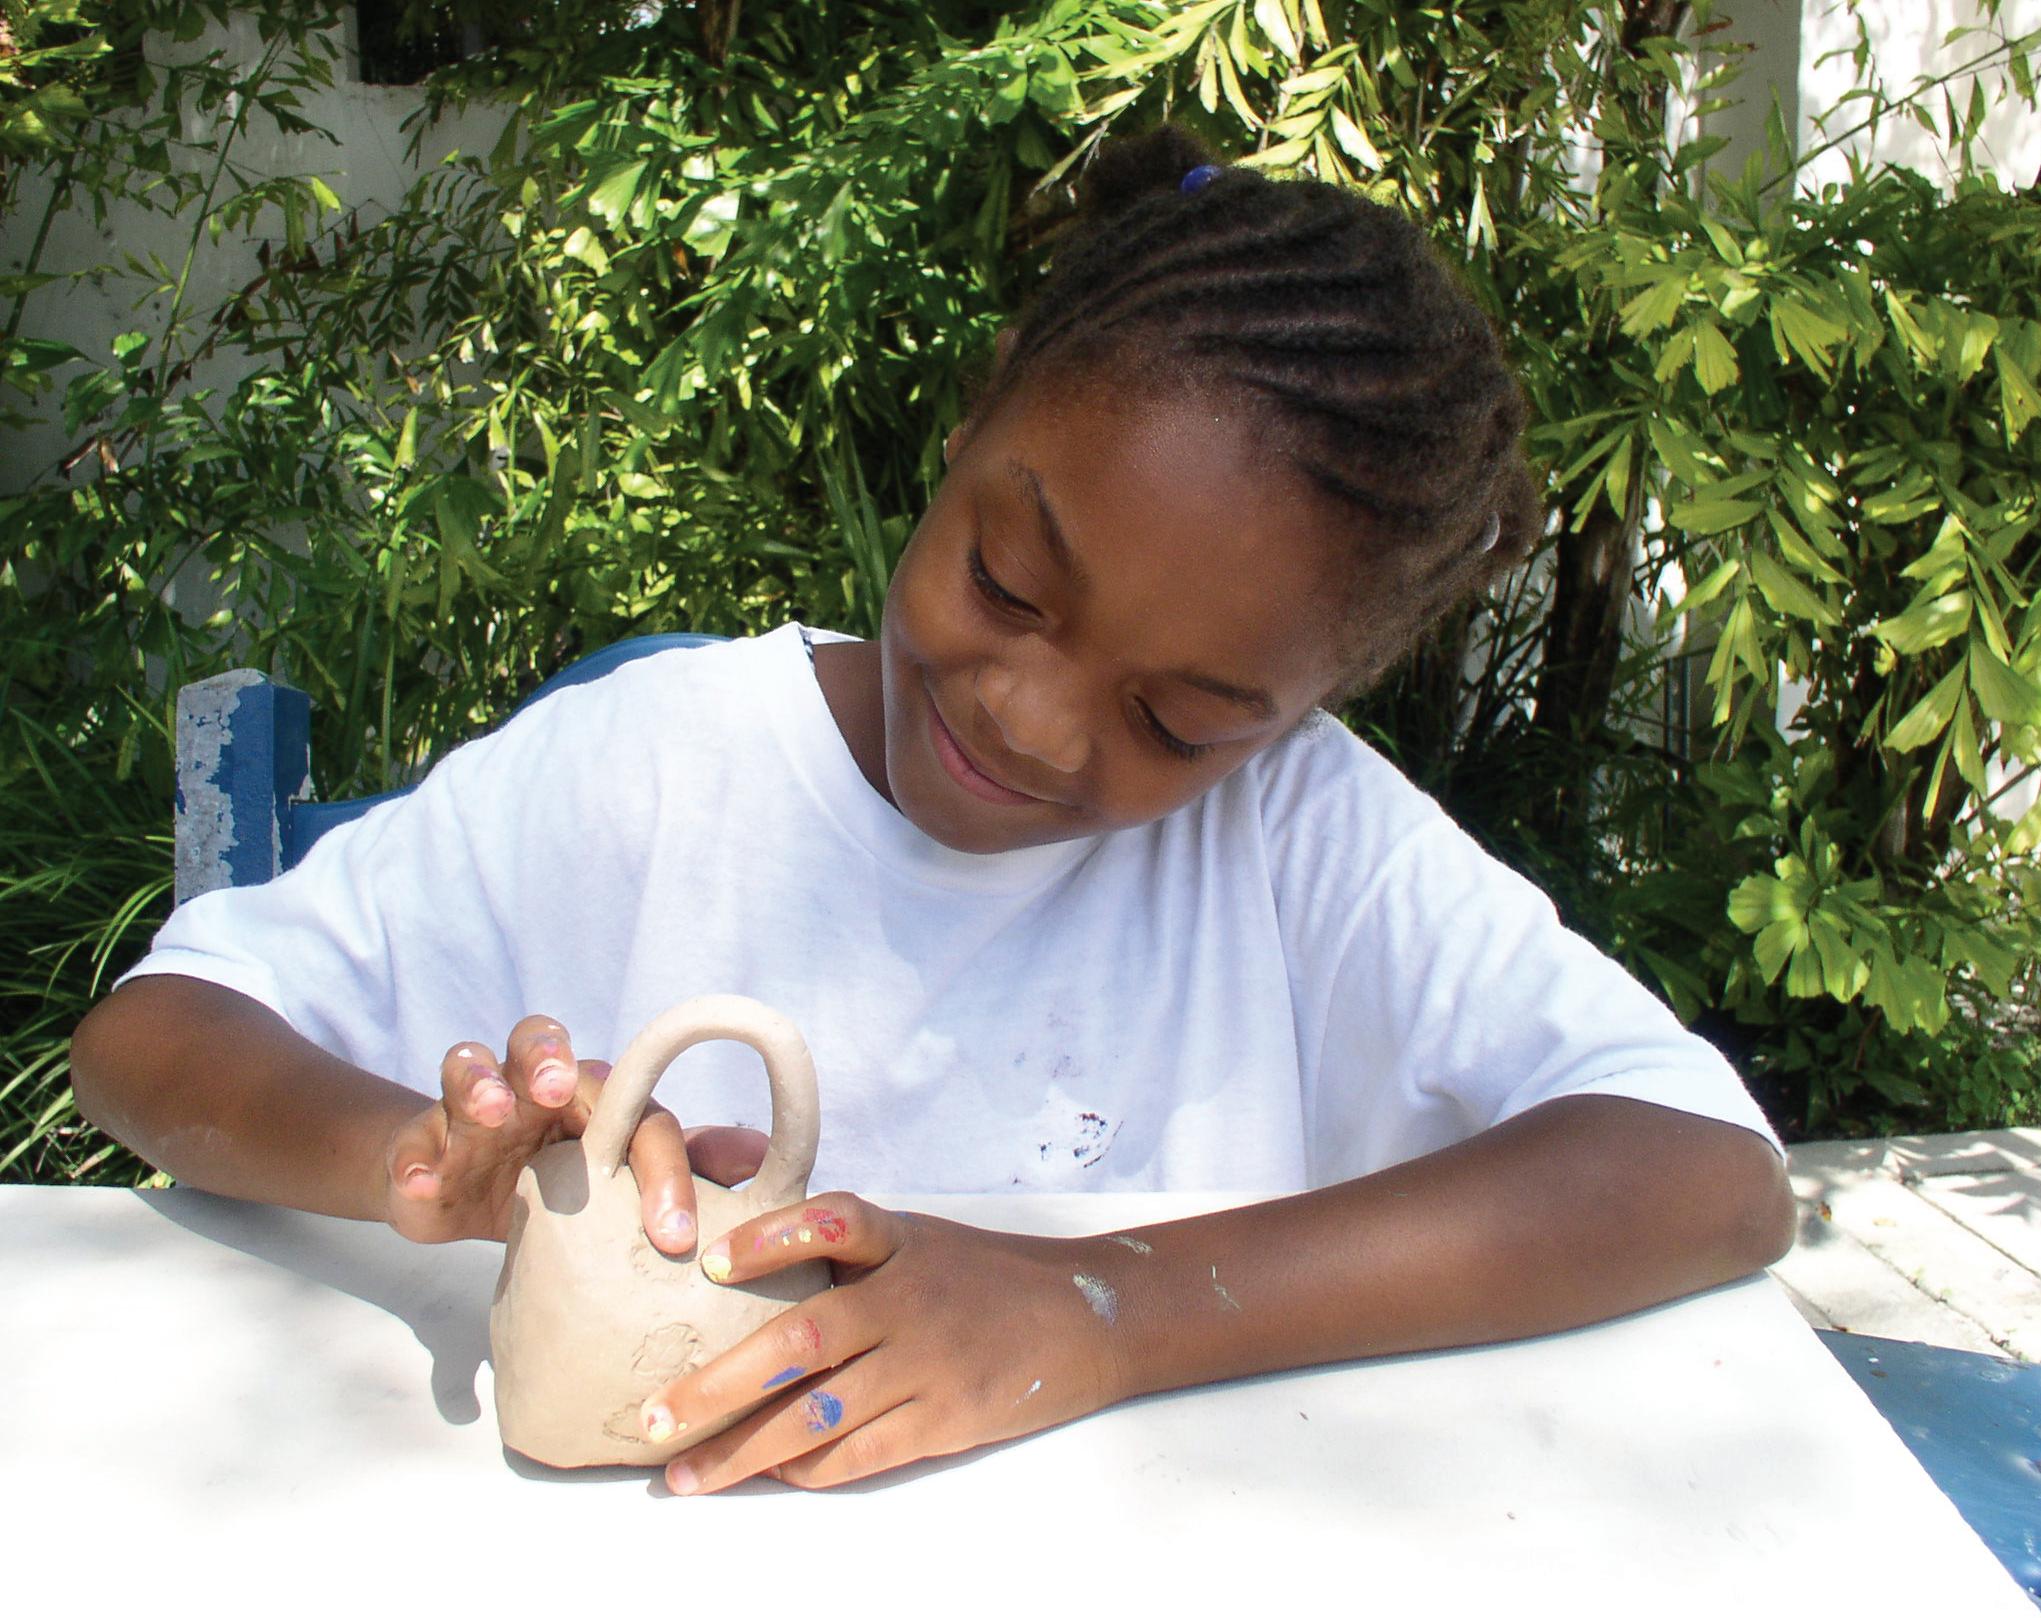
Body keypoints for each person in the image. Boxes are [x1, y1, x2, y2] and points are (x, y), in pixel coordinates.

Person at [70, 127, 1795, 1496]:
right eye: (1008, 583)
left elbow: (1702, 1171)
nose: (1028, 721)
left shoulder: (1292, 839)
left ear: (1297, 713)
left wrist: (1105, 1306)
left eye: (1177, 720)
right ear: (972, 419)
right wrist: (414, 1158)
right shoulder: (652, 766)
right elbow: (151, 1039)